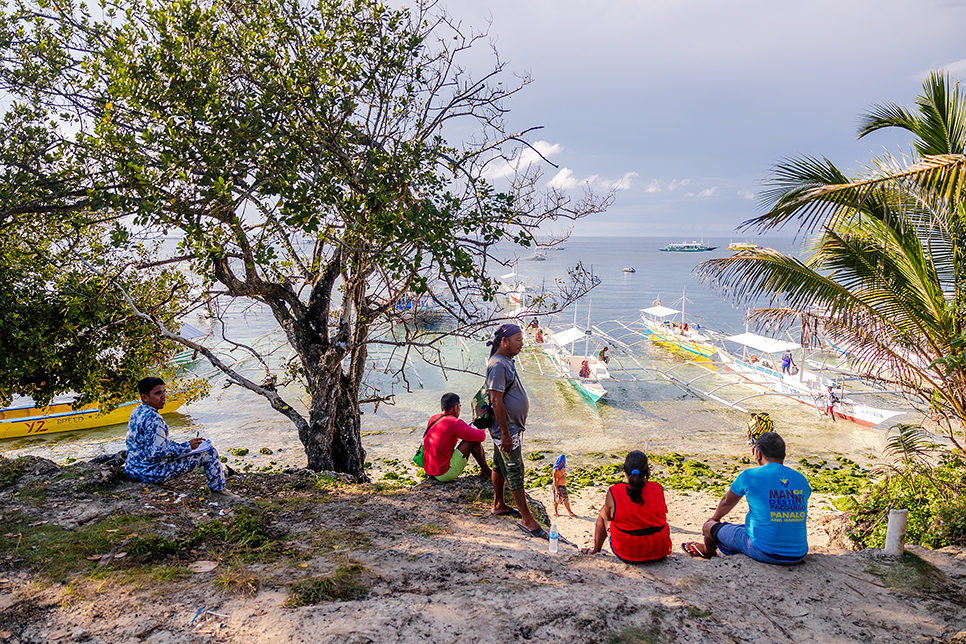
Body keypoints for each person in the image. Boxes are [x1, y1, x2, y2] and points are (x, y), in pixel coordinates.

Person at [682, 432, 810, 565]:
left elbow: (726, 502)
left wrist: (715, 519)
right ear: (783, 454)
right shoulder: (801, 479)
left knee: (709, 527)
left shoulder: (750, 476)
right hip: (798, 553)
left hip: (765, 551)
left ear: (757, 453)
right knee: (754, 525)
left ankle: (708, 551)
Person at [124, 377, 240, 499]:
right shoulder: (154, 419)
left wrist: (182, 446)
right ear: (145, 397)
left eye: (164, 391)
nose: (163, 396)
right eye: (158, 393)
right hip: (149, 472)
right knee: (209, 453)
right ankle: (219, 492)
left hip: (132, 467)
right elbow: (156, 452)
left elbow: (151, 443)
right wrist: (187, 447)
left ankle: (218, 490)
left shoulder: (137, 411)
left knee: (189, 449)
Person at [486, 323, 546, 538]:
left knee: (499, 465)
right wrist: (505, 433)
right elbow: (496, 400)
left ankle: (499, 503)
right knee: (514, 469)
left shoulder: (505, 361)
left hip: (508, 427)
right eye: (518, 340)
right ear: (504, 341)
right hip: (506, 429)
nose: (522, 344)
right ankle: (527, 519)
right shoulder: (498, 365)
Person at [580, 451, 671, 562]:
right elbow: (663, 511)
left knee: (603, 512)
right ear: (647, 471)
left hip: (628, 552)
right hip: (660, 549)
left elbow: (608, 517)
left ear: (624, 470)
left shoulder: (614, 491)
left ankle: (596, 550)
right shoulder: (657, 487)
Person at [423, 393, 493, 482]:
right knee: (473, 441)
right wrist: (481, 424)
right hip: (443, 473)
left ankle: (485, 471)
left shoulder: (433, 418)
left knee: (471, 436)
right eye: (459, 406)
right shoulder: (454, 422)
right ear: (455, 408)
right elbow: (480, 437)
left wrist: (468, 429)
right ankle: (486, 471)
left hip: (429, 470)